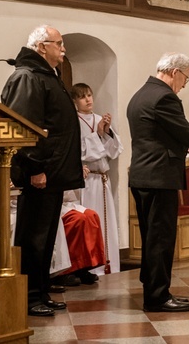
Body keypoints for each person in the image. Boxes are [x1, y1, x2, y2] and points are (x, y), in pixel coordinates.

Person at [127, 52, 189, 313]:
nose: (184, 85)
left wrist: (182, 148)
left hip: (143, 176)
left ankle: (153, 288)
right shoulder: (165, 96)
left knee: (150, 237)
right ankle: (157, 296)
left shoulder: (140, 95)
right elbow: (184, 130)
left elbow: (158, 136)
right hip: (160, 179)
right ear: (175, 72)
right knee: (161, 238)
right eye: (186, 79)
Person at [1, 25, 83, 317]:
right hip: (40, 173)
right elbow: (23, 127)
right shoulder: (27, 77)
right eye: (58, 43)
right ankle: (27, 295)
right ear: (40, 46)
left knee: (45, 237)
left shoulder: (46, 76)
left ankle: (40, 290)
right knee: (32, 237)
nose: (63, 49)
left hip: (53, 172)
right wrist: (35, 168)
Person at [71, 82, 123, 275]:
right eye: (83, 96)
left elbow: (114, 150)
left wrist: (107, 132)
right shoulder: (74, 121)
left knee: (106, 223)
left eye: (90, 95)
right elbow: (81, 151)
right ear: (75, 101)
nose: (88, 99)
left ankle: (110, 264)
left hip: (102, 180)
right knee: (90, 223)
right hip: (86, 182)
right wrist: (97, 134)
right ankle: (92, 268)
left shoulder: (99, 119)